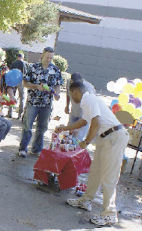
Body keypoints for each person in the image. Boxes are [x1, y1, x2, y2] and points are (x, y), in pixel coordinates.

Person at [55, 81, 129, 226]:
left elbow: (95, 122)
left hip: (114, 137)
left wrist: (86, 142)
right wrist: (65, 127)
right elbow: (84, 122)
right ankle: (86, 200)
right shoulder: (87, 101)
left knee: (108, 178)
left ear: (75, 92)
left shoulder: (89, 99)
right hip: (106, 138)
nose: (71, 98)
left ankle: (109, 214)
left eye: (70, 94)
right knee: (95, 172)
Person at [18, 47, 63, 157]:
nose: (49, 59)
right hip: (33, 102)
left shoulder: (56, 70)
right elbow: (25, 83)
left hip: (47, 104)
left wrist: (57, 94)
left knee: (42, 128)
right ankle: (23, 149)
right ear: (42, 55)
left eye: (51, 58)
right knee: (27, 126)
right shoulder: (33, 67)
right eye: (47, 57)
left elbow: (58, 85)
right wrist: (36, 86)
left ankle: (36, 149)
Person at [65, 72, 96, 141]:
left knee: (77, 138)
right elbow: (68, 93)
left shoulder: (89, 89)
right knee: (68, 135)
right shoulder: (68, 82)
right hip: (73, 113)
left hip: (84, 115)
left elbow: (90, 111)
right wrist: (67, 105)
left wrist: (77, 127)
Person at [9, 52, 28, 119]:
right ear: (22, 57)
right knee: (22, 98)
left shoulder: (14, 63)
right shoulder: (23, 63)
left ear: (17, 57)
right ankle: (19, 115)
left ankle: (10, 113)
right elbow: (25, 73)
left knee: (12, 96)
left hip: (13, 81)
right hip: (21, 82)